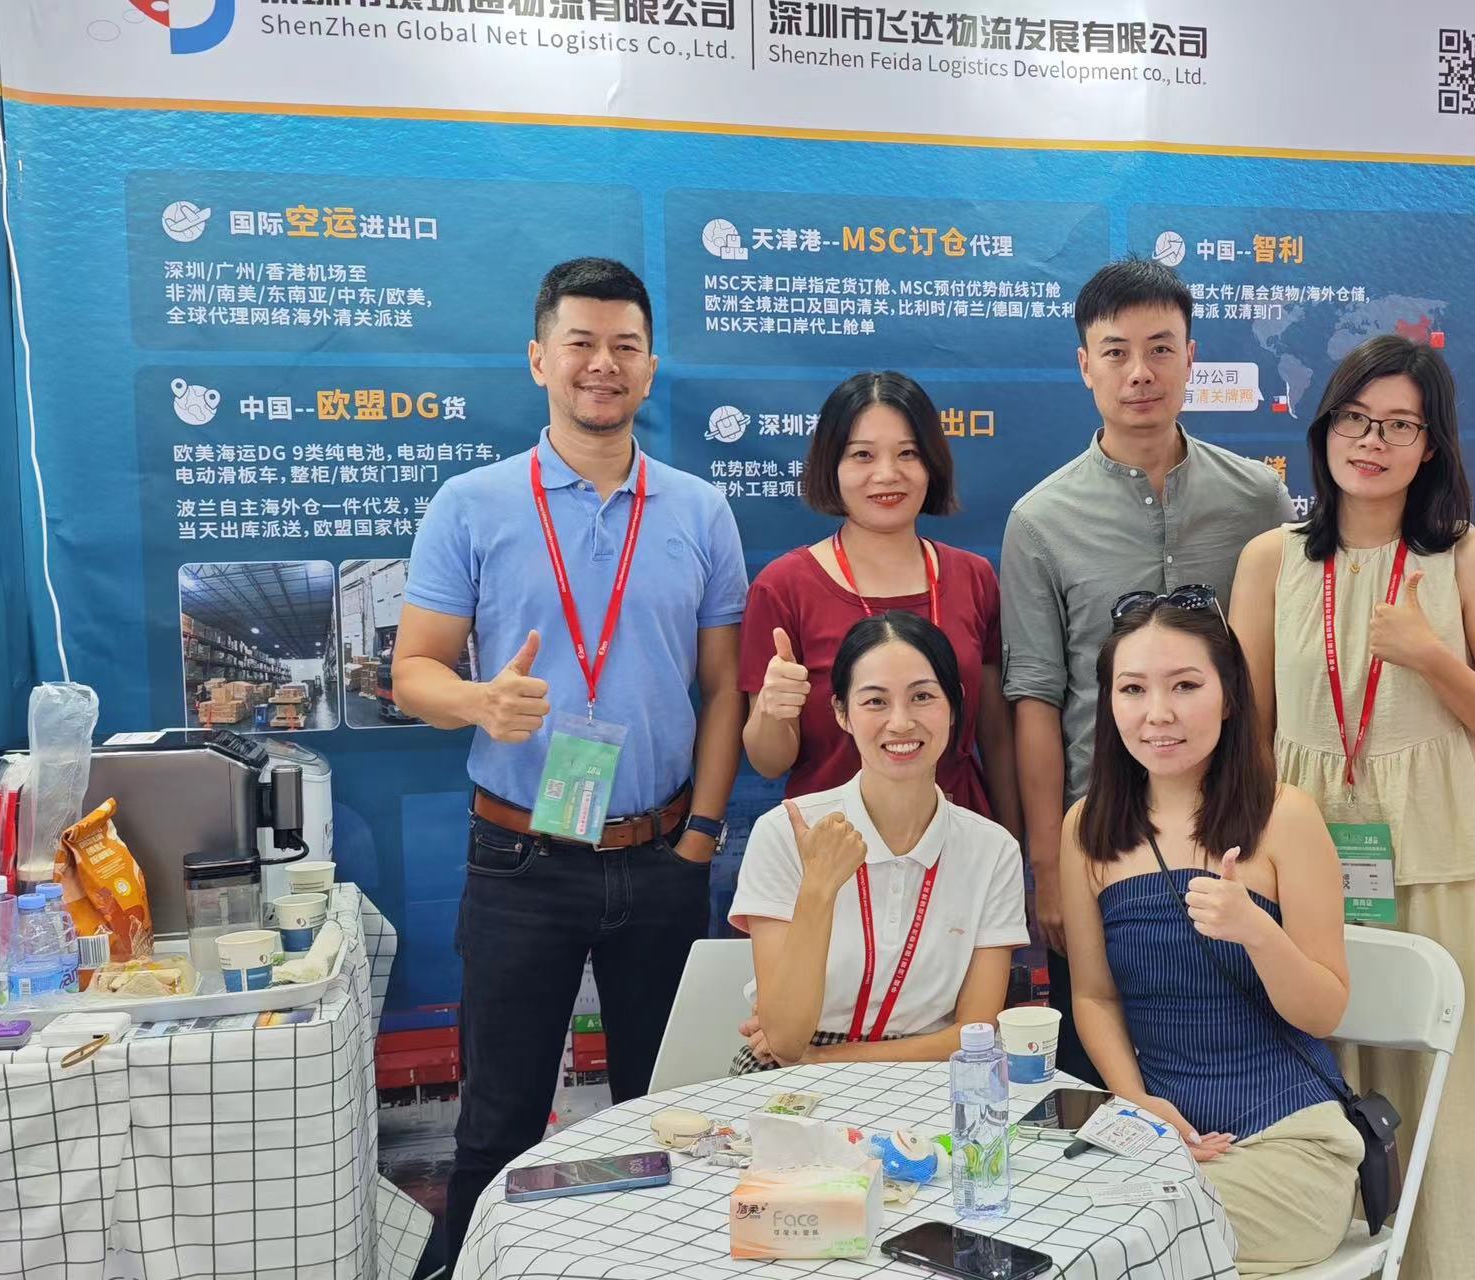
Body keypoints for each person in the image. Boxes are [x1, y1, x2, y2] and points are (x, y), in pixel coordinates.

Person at [394, 257, 747, 1273]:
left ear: (649, 367)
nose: (603, 364)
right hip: (521, 859)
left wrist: (701, 834)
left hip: (659, 855)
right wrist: (479, 701)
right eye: (581, 343)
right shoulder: (472, 503)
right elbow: (413, 671)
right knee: (497, 1123)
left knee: (670, 1116)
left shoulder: (699, 510)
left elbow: (724, 687)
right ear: (538, 358)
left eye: (624, 346)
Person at [1226, 335, 1475, 1278]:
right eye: (1355, 420)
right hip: (1310, 874)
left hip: (1442, 864)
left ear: (1431, 446)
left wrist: (1431, 657)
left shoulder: (1469, 561)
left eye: (1398, 426)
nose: (1371, 442)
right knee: (1331, 1090)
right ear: (1324, 429)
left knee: (1457, 1100)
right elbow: (1249, 729)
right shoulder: (1270, 560)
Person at [1003, 258, 1295, 1082]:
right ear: (1084, 365)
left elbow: (1277, 676)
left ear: (1191, 357)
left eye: (1161, 348)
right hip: (1103, 835)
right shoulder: (1039, 520)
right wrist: (1049, 865)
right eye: (1116, 352)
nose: (1140, 373)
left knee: (1243, 1053)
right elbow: (1035, 699)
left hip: (1237, 830)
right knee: (1100, 1071)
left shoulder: (1259, 503)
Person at [1057, 594, 1359, 1277]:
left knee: (1110, 1243)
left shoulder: (1285, 817)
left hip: (1288, 1145)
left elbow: (1325, 1011)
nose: (1157, 713)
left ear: (1228, 698)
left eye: (1185, 686)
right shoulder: (1087, 829)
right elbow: (1095, 997)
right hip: (1156, 1147)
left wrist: (1256, 932)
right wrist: (1135, 1104)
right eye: (1133, 689)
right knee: (1050, 1215)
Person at [729, 611, 1027, 1071]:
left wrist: (828, 1059)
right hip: (788, 1075)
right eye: (875, 702)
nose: (901, 723)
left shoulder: (993, 850)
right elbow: (785, 1041)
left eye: (922, 696)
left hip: (927, 1070)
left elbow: (975, 1033)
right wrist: (819, 886)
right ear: (841, 713)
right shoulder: (785, 831)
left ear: (955, 705)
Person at [740, 371, 1018, 832]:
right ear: (832, 465)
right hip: (832, 847)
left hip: (960, 841)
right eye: (862, 455)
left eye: (908, 453)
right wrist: (773, 711)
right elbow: (769, 763)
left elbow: (997, 737)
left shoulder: (974, 578)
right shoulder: (783, 587)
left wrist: (1014, 845)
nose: (887, 474)